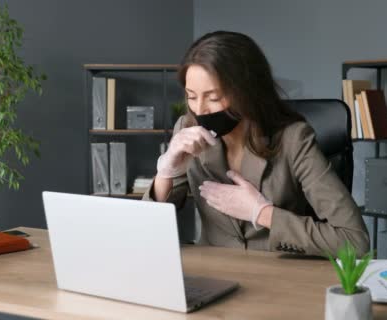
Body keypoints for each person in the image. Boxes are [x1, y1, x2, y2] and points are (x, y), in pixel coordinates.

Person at [142, 31, 369, 257]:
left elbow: (355, 241)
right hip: (214, 271)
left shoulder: (293, 138)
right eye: (191, 96)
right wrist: (165, 174)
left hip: (279, 277)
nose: (200, 109)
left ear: (247, 92)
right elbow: (145, 230)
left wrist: (263, 213)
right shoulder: (187, 129)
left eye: (213, 97)